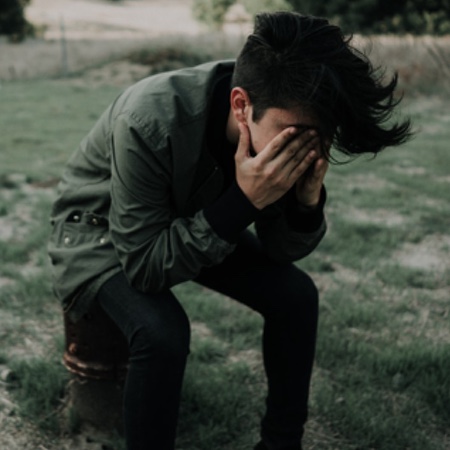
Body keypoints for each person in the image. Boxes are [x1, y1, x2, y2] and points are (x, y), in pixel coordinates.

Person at [48, 11, 412, 450]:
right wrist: (244, 201)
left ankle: (281, 443)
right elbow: (144, 266)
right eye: (297, 134)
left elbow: (281, 252)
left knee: (296, 296)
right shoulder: (148, 117)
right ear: (241, 106)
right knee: (162, 332)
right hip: (101, 231)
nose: (305, 146)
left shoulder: (278, 116)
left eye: (320, 136)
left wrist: (305, 203)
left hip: (190, 220)